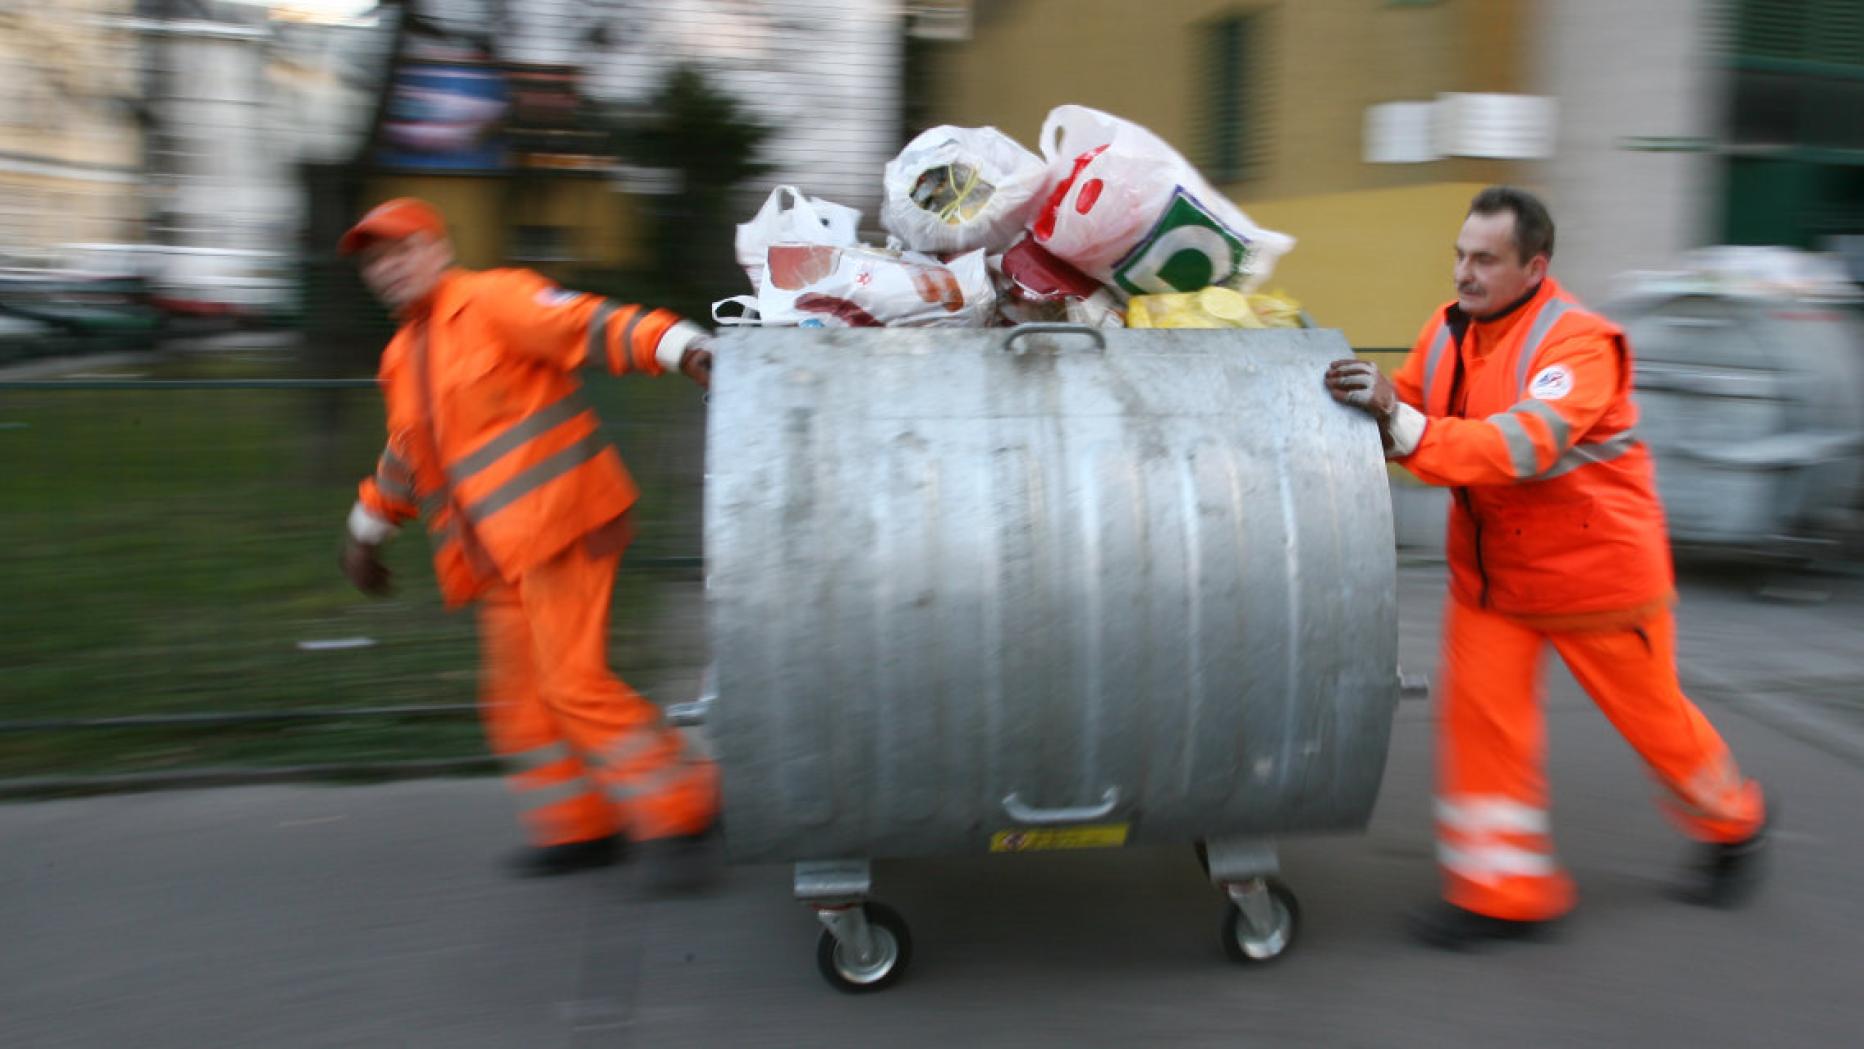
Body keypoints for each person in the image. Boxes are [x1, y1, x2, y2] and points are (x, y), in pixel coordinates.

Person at [1324, 186, 1769, 949]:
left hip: (1596, 581)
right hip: (1494, 581)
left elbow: (1522, 444)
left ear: (1535, 267)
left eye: (1485, 259)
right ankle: (1503, 892)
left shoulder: (1580, 343)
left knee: (1658, 726)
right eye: (1460, 255)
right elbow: (1417, 408)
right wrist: (1365, 399)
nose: (1465, 273)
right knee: (1479, 729)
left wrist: (1400, 423)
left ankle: (1734, 822)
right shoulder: (1448, 327)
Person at [335, 198, 718, 878]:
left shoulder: (493, 299)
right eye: (374, 264)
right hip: (498, 556)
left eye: (399, 253)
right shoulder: (401, 356)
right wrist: (367, 528)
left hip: (565, 526)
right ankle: (579, 826)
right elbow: (407, 456)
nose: (387, 271)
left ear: (437, 249)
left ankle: (684, 806)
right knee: (519, 699)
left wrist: (678, 345)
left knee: (572, 683)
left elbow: (587, 323)